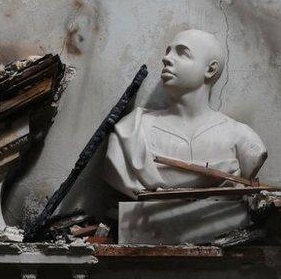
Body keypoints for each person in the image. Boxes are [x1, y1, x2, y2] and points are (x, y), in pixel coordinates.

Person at [104, 29, 267, 198]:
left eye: (182, 53)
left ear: (210, 70)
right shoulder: (131, 131)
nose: (166, 59)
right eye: (168, 52)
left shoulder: (243, 139)